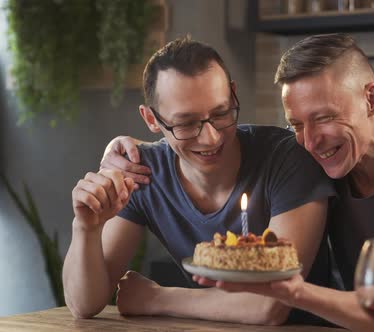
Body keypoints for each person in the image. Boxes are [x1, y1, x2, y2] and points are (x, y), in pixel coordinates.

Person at [104, 34, 374, 331]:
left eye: (325, 117)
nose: (310, 141)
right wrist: (140, 146)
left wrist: (290, 291)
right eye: (296, 124)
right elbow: (207, 134)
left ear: (372, 100)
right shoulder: (332, 156)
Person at [62, 36, 336, 325]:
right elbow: (84, 304)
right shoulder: (141, 173)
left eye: (220, 114)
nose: (211, 137)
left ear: (233, 95)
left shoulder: (288, 159)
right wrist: (85, 228)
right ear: (152, 120)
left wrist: (156, 298)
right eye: (186, 123)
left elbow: (269, 306)